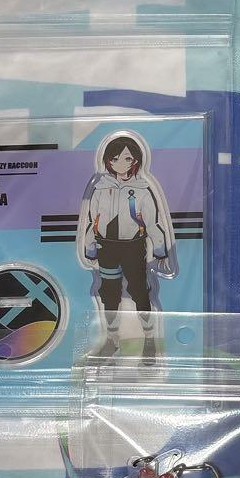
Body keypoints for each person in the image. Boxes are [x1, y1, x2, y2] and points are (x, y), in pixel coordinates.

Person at [80, 133, 174, 358]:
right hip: (107, 249)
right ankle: (112, 340)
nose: (120, 164)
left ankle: (149, 340)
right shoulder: (100, 189)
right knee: (109, 294)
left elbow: (152, 222)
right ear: (107, 161)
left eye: (127, 159)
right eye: (115, 159)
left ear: (136, 161)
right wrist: (90, 248)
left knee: (140, 293)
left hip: (133, 248)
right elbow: (93, 221)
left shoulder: (142, 190)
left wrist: (160, 250)